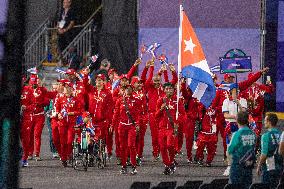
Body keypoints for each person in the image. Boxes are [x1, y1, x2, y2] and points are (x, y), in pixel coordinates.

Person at [155, 82, 186, 175]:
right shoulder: (160, 100)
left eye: (171, 88)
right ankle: (167, 165)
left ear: (174, 90)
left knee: (170, 145)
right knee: (162, 147)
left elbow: (184, 114)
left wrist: (177, 123)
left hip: (172, 128)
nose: (169, 90)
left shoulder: (177, 101)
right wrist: (161, 109)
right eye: (167, 89)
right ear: (164, 90)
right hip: (162, 128)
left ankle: (171, 161)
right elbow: (156, 116)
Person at [112, 84, 142, 175]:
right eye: (125, 89)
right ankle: (124, 166)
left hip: (131, 126)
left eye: (129, 88)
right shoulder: (119, 101)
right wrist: (112, 125)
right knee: (123, 147)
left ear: (132, 90)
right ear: (123, 90)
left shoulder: (136, 101)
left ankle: (133, 166)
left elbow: (138, 114)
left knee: (131, 145)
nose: (127, 90)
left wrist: (137, 124)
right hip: (122, 126)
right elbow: (116, 114)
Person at [222, 83, 247, 176]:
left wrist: (239, 103)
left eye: (237, 91)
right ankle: (229, 166)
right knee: (230, 146)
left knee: (240, 146)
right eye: (234, 91)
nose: (236, 92)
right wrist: (235, 116)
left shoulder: (243, 100)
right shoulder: (226, 101)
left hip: (240, 125)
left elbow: (244, 113)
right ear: (230, 91)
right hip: (230, 125)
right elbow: (225, 115)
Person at [228, 111, 256, 189]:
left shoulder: (237, 134)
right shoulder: (253, 133)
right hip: (248, 166)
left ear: (237, 120)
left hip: (238, 167)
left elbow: (230, 150)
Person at [256, 113, 283, 189]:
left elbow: (264, 154)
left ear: (269, 122)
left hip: (269, 168)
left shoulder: (265, 136)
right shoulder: (281, 134)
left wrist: (259, 166)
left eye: (265, 120)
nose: (264, 122)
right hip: (280, 166)